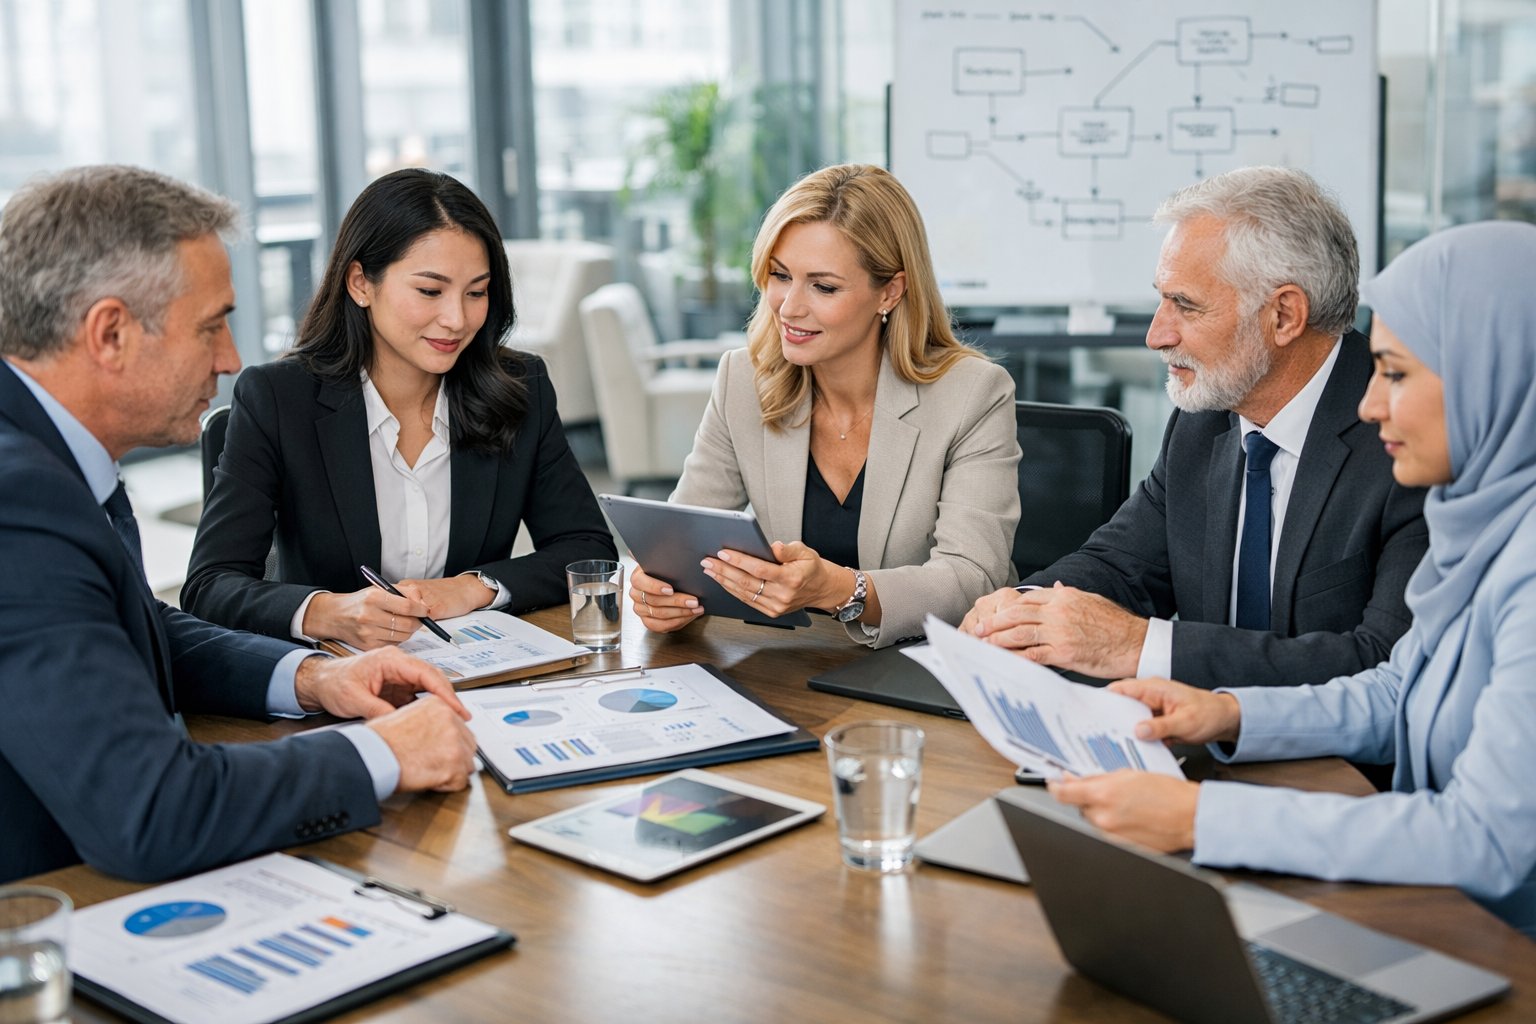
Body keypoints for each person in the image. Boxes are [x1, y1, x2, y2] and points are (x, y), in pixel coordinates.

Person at [1047, 221, 1536, 938]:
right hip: (1432, 912)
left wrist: (1202, 818)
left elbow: (1484, 840)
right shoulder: (1485, 520)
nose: (1371, 404)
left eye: (1395, 374)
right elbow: (1401, 687)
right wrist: (1230, 714)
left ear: (1494, 375)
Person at [0, 165, 479, 884]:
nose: (230, 359)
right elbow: (154, 812)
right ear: (110, 333)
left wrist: (314, 678)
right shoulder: (18, 504)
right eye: (211, 325)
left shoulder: (43, 455)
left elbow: (134, 627)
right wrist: (386, 753)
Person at [963, 167, 1427, 687]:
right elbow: (1121, 565)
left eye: (1184, 304)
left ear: (1284, 316)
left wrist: (1140, 646)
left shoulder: (1409, 439)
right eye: (1161, 299)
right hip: (1186, 744)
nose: (1155, 335)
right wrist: (1021, 611)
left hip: (1333, 764)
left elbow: (1383, 661)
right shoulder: (1203, 420)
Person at [182, 168, 616, 648]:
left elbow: (586, 548)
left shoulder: (519, 387)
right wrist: (331, 612)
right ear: (360, 283)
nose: (456, 319)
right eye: (430, 291)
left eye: (476, 292)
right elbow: (210, 586)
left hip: (479, 673)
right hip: (334, 681)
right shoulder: (277, 399)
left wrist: (471, 588)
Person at [628, 164, 1021, 648]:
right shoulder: (743, 379)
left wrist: (842, 589)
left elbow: (973, 577)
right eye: (779, 275)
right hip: (793, 663)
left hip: (926, 666)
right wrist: (663, 591)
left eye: (824, 286)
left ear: (891, 291)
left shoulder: (973, 393)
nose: (789, 306)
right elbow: (685, 543)